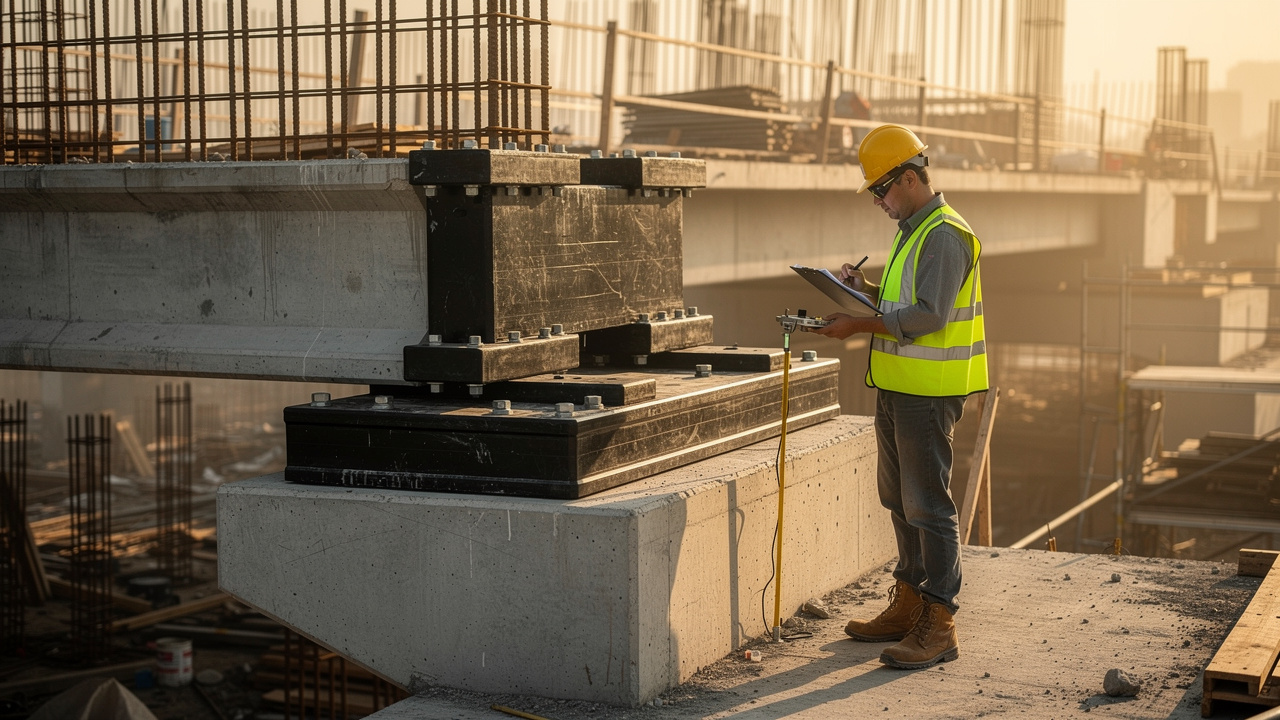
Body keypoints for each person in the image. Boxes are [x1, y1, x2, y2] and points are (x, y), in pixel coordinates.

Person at [812, 124, 988, 670]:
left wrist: (859, 324)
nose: (878, 203)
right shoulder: (914, 231)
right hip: (897, 387)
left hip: (928, 394)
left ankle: (939, 622)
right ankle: (909, 598)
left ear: (909, 179)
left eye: (881, 191)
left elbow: (929, 316)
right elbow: (905, 300)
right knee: (898, 499)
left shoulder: (944, 234)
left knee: (929, 507)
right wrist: (861, 292)